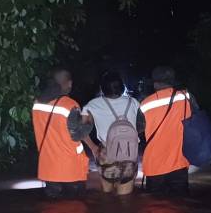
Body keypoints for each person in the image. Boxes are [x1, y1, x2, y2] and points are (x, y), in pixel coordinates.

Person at [32, 68, 91, 199]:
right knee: (75, 212)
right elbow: (77, 135)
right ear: (69, 83)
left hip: (48, 169)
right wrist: (88, 122)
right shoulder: (69, 105)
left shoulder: (37, 103)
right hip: (70, 170)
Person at [82, 71, 140, 196]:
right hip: (129, 154)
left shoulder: (92, 105)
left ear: (102, 88)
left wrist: (93, 147)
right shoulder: (133, 102)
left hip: (106, 154)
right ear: (122, 87)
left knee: (106, 197)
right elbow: (141, 125)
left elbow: (82, 129)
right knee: (126, 201)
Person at [139, 66, 192, 195]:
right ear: (173, 81)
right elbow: (194, 120)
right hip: (179, 164)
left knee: (155, 209)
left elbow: (139, 129)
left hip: (154, 165)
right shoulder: (185, 97)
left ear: (155, 83)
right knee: (180, 208)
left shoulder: (145, 104)